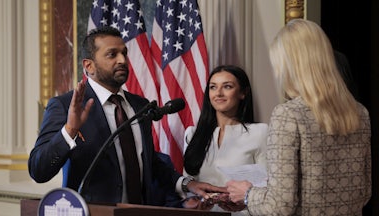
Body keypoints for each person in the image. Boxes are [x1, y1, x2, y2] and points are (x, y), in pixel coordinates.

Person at [28, 26, 226, 206]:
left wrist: (186, 184)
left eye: (124, 53)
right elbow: (38, 170)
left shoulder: (139, 105)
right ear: (89, 66)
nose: (122, 60)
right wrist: (69, 130)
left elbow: (147, 161)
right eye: (112, 54)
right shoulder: (65, 106)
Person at [226, 19, 371, 215]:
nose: (277, 73)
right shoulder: (360, 112)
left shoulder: (288, 115)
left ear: (290, 65)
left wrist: (247, 193)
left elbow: (279, 207)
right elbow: (365, 192)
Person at [183, 65, 268, 215]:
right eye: (213, 87)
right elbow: (188, 185)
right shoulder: (192, 134)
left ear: (243, 93)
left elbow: (268, 190)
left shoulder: (260, 132)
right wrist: (191, 202)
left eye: (227, 86)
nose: (219, 93)